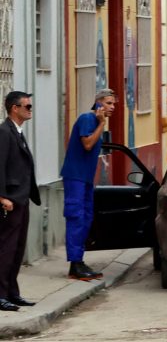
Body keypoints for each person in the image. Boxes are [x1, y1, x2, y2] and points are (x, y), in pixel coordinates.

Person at [60, 88, 117, 281]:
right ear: (99, 103)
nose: (112, 107)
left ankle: (79, 260)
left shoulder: (96, 121)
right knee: (76, 216)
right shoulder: (87, 119)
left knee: (87, 217)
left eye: (113, 104)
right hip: (74, 176)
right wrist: (101, 124)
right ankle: (74, 264)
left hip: (85, 178)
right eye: (109, 103)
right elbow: (87, 144)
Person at [0, 91, 40, 312]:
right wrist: (2, 197)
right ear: (14, 108)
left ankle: (12, 292)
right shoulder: (4, 132)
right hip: (11, 200)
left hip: (22, 198)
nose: (30, 110)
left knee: (17, 248)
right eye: (27, 106)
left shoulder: (17, 131)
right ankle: (1, 294)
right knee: (6, 248)